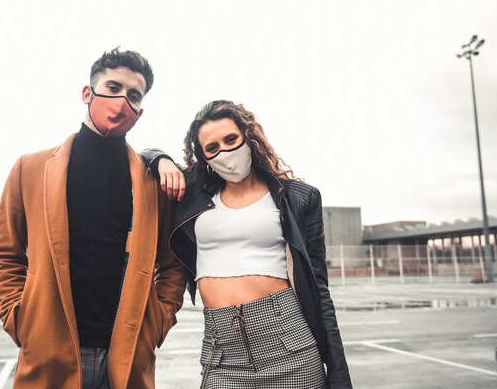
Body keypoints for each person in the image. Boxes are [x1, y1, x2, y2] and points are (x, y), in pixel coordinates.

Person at [0, 46, 187, 389]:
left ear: (140, 110)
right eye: (113, 88)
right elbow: (4, 255)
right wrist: (20, 319)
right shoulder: (29, 169)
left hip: (125, 358)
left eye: (133, 95)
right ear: (87, 93)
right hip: (49, 354)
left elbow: (173, 264)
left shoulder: (154, 181)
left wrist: (159, 319)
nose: (122, 100)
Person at [144, 100, 353, 389]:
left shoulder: (297, 198)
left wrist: (339, 374)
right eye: (212, 147)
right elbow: (143, 156)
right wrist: (161, 159)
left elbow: (319, 288)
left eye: (231, 139)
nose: (225, 152)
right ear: (204, 158)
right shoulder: (193, 194)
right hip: (222, 354)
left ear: (248, 137)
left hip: (289, 346)